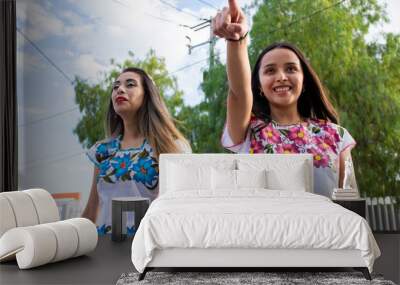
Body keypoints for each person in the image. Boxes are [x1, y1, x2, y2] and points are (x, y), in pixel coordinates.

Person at [213, 0, 357, 197]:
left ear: (304, 81)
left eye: (290, 69)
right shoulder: (248, 133)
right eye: (270, 70)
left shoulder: (336, 136)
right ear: (259, 87)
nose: (281, 76)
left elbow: (349, 204)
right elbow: (239, 92)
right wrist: (236, 40)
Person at [82, 67, 191, 235]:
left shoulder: (171, 148)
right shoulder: (102, 151)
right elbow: (91, 211)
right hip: (105, 249)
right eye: (116, 86)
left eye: (130, 84)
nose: (120, 89)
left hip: (150, 248)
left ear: (147, 96)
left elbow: (178, 212)